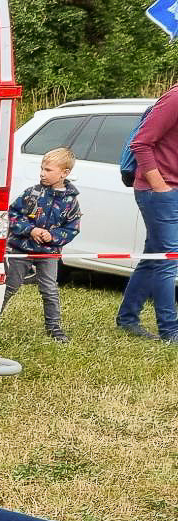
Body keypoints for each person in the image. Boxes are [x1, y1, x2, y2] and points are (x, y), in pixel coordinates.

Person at [117, 85, 178, 342]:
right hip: (160, 191)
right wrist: (160, 186)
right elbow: (140, 143)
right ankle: (170, 332)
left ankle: (128, 318)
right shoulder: (175, 98)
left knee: (154, 257)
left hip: (170, 189)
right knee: (168, 259)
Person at [4, 148, 80, 344]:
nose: (42, 173)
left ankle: (54, 328)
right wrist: (30, 230)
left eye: (48, 170)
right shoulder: (32, 193)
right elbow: (12, 214)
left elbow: (72, 229)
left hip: (48, 253)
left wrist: (52, 236)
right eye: (42, 169)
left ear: (64, 173)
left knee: (49, 289)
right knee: (9, 286)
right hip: (21, 249)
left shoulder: (71, 202)